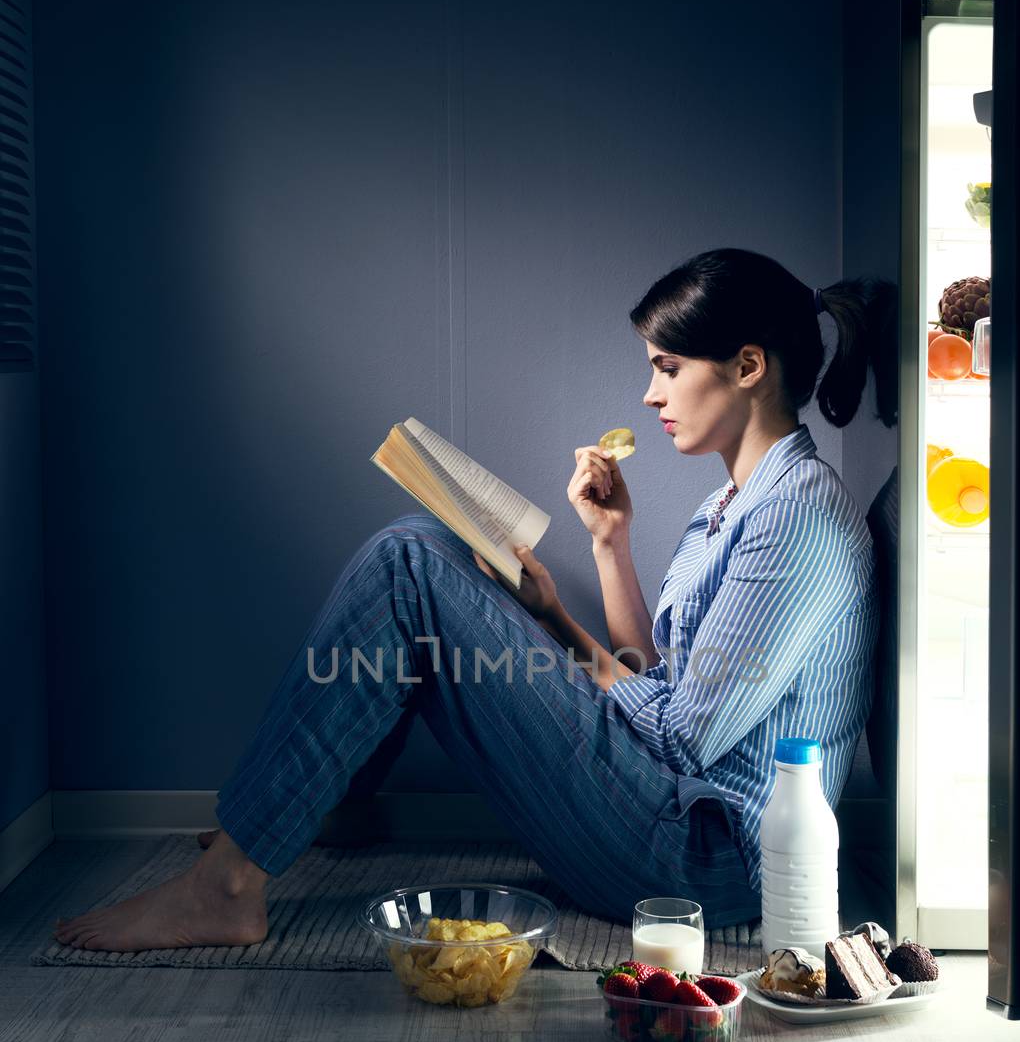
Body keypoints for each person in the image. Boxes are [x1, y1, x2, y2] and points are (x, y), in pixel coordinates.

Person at [53, 247, 894, 954]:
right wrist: (603, 552)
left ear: (748, 367)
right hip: (672, 810)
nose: (650, 394)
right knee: (422, 547)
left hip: (707, 860)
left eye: (668, 368)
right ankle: (320, 807)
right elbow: (667, 681)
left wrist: (546, 627)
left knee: (406, 564)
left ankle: (229, 885)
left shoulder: (797, 517)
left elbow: (680, 735)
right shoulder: (736, 506)